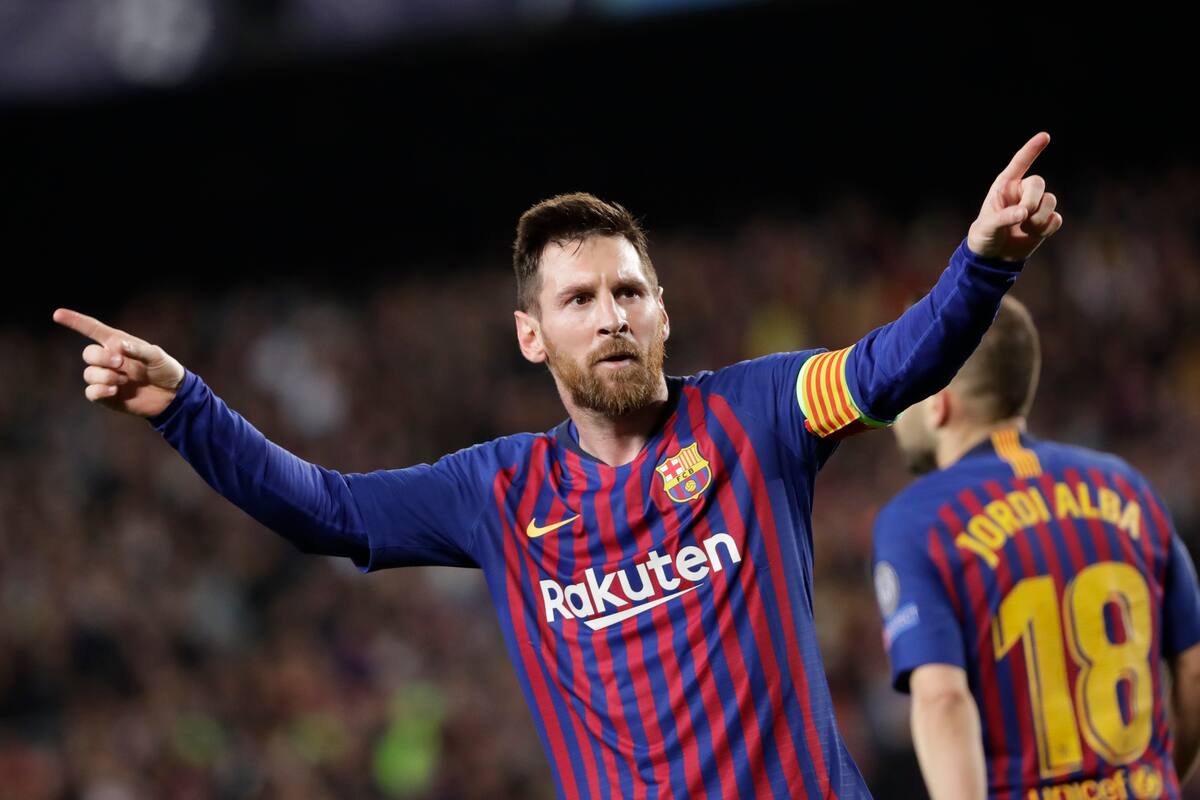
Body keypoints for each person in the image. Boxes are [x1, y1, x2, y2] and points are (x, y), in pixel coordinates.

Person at [55, 132, 1061, 799]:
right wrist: (186, 405)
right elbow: (327, 508)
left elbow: (894, 363)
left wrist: (981, 259)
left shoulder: (758, 414)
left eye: (629, 291)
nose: (612, 315)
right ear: (533, 336)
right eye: (579, 299)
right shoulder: (497, 491)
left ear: (662, 308)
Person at [872, 296, 1200, 800]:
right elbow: (1194, 668)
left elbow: (941, 702)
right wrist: (1161, 782)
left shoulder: (916, 520)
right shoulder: (1127, 486)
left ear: (939, 402)